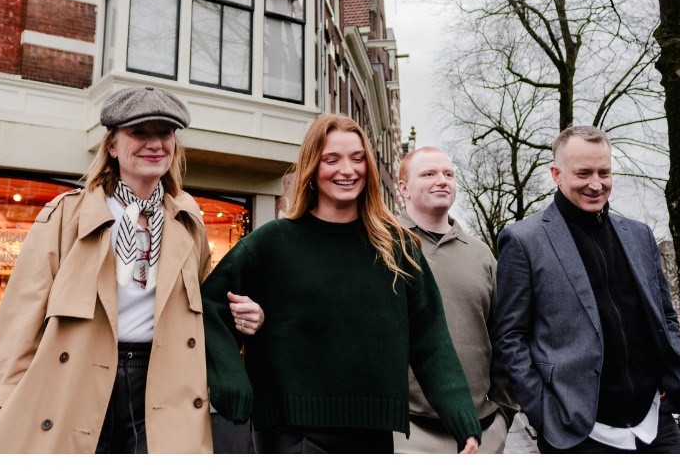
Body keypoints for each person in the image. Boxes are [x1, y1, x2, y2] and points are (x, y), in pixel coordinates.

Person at [0, 86, 263, 453]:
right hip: (75, 379)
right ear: (112, 146)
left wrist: (249, 317)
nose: (155, 144)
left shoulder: (188, 222)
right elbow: (18, 324)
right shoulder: (65, 217)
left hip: (162, 382)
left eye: (164, 133)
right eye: (139, 132)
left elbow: (203, 314)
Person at [202, 113, 482, 455]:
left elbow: (431, 341)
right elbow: (209, 303)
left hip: (374, 431)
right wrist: (231, 382)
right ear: (312, 168)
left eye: (357, 159)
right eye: (331, 159)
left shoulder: (397, 247)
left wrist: (462, 419)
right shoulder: (272, 243)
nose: (347, 170)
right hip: (290, 431)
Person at [493, 125, 680, 455]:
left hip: (655, 422)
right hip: (579, 433)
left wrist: (666, 377)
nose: (596, 183)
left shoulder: (639, 235)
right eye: (584, 173)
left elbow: (665, 315)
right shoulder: (523, 241)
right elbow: (510, 337)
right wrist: (544, 413)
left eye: (604, 172)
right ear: (556, 174)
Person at [394, 147, 517, 454]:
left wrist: (504, 412)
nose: (442, 181)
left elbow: (504, 336)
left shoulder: (481, 255)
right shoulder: (383, 247)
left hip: (483, 431)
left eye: (448, 174)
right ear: (403, 187)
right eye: (429, 174)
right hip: (408, 432)